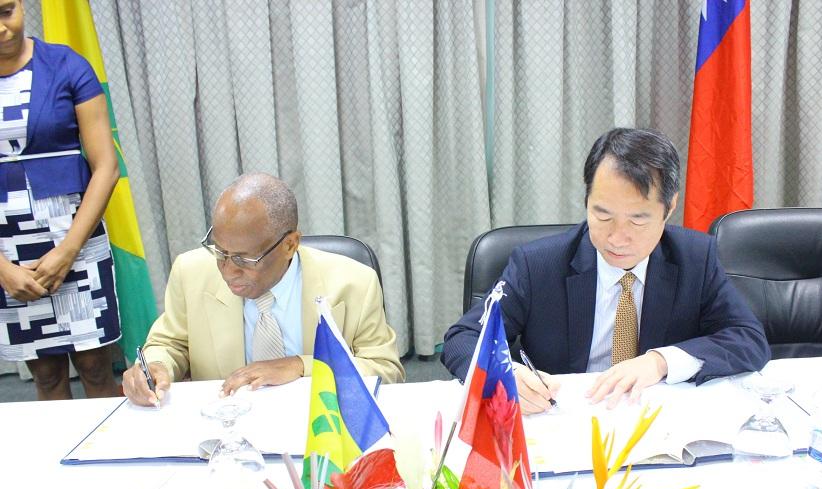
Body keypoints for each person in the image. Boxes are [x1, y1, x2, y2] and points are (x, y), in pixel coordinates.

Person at [442, 128, 770, 414]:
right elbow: (463, 337)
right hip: (562, 421)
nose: (617, 237)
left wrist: (660, 362)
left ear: (669, 209)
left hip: (655, 423)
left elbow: (749, 340)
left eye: (638, 219)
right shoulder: (538, 265)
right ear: (587, 200)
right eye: (602, 214)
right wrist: (500, 372)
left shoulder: (694, 258)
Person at [122, 173, 404, 406]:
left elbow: (386, 371)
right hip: (227, 429)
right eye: (220, 251)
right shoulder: (191, 272)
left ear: (290, 245)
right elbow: (169, 344)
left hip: (319, 428)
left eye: (244, 259)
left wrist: (300, 366)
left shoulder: (353, 282)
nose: (227, 269)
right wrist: (156, 367)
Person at [0, 0, 122, 400]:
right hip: (10, 257)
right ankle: (61, 463)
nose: (1, 27)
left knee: (96, 368)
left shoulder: (67, 65)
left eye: (5, 11)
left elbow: (106, 166)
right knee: (47, 375)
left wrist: (68, 251)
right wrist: (2, 269)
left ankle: (112, 459)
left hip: (77, 241)